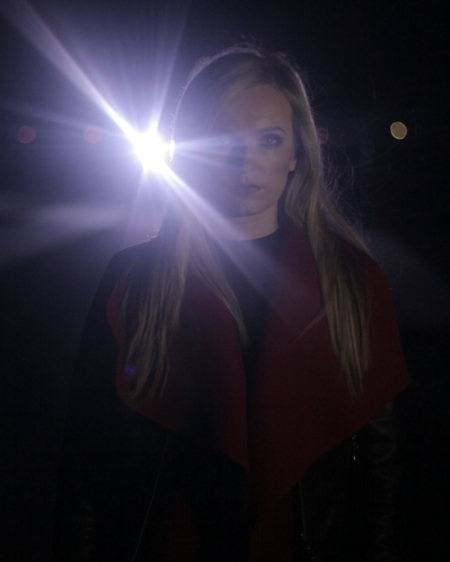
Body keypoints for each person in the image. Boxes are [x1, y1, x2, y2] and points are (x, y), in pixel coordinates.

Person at [53, 44, 411, 561]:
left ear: (297, 153)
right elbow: (85, 462)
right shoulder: (136, 279)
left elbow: (383, 468)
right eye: (224, 140)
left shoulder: (350, 280)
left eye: (269, 139)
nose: (246, 162)